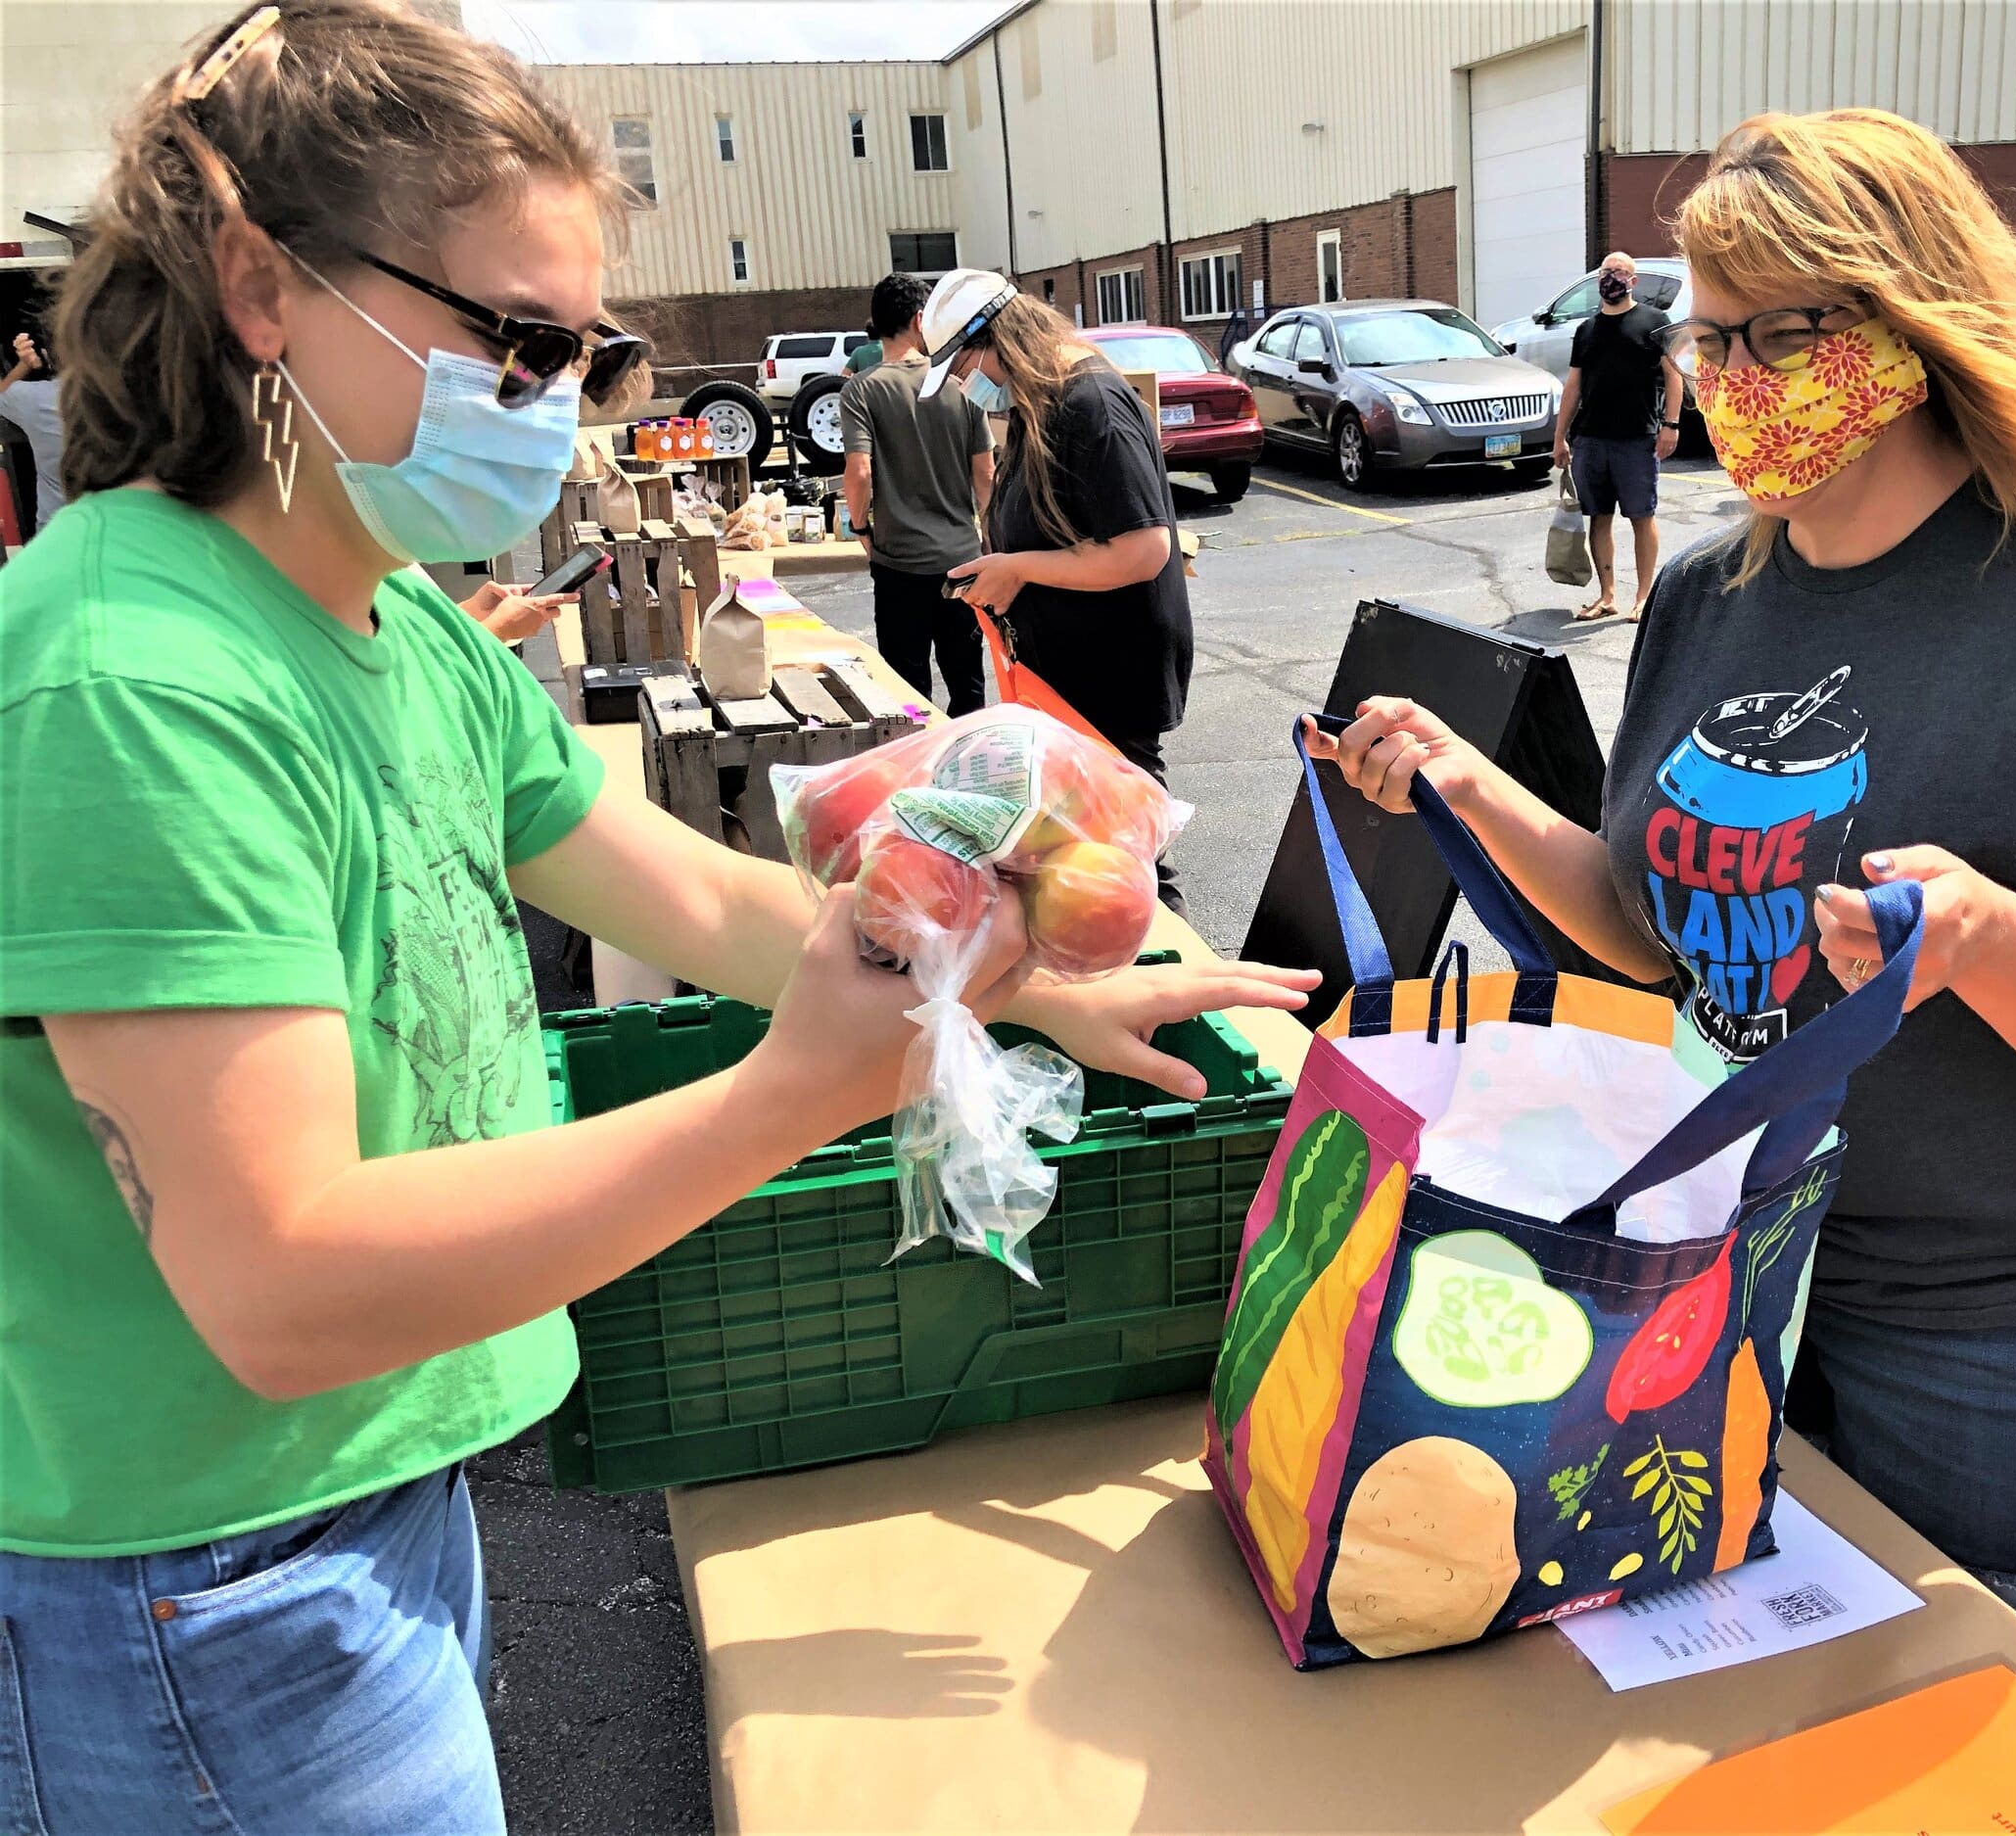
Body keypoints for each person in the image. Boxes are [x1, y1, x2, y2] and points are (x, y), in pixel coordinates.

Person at [0, 6, 1315, 1829]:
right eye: (509, 342)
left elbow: (686, 887)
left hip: (366, 1495)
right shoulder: (138, 677)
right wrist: (793, 1097)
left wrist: (984, 988)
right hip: (202, 1573)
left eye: (580, 355)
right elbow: (283, 1284)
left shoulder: (401, 625)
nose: (543, 404)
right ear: (258, 286)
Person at [1308, 108, 2016, 1726]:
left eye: (1779, 333)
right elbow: (1642, 922)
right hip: (1746, 1267)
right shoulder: (1709, 589)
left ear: (1905, 327)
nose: (1727, 375)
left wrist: (1985, 941)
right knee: (1786, 1731)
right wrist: (1470, 788)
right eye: (1710, 330)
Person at [926, 270, 1196, 914]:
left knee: (1124, 850)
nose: (968, 385)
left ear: (995, 340)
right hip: (1068, 670)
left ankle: (1164, 975)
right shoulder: (1037, 406)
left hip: (1111, 670)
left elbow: (1142, 549)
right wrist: (1002, 570)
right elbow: (1054, 532)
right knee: (1088, 847)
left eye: (965, 366)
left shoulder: (1091, 403)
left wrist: (1019, 568)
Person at [841, 271, 993, 715]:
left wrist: (860, 525)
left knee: (906, 695)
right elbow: (985, 471)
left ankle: (916, 778)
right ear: (920, 319)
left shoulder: (862, 390)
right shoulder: (960, 383)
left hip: (899, 564)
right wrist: (988, 536)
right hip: (962, 560)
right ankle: (972, 775)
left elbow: (859, 471)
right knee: (968, 685)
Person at [1552, 252, 1681, 621]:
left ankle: (1643, 597)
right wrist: (1560, 438)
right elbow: (1573, 385)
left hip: (1637, 439)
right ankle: (1607, 596)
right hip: (1590, 439)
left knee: (1642, 515)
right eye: (1606, 272)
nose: (1611, 278)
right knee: (1599, 518)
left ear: (1633, 281)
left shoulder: (1654, 322)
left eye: (1619, 272)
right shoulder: (1587, 330)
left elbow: (1673, 376)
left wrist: (1670, 425)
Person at [0, 330, 67, 533]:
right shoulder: (141, 398)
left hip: (56, 534)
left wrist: (24, 365)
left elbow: (2, 395)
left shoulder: (36, 399)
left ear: (47, 355)